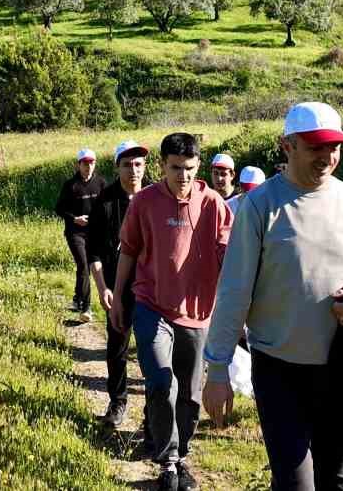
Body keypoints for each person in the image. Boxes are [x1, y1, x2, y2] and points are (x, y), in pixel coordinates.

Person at [202, 102, 343, 491]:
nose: (327, 157)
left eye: (334, 148)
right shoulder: (260, 206)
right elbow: (234, 291)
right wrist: (218, 368)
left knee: (340, 484)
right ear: (286, 146)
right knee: (295, 484)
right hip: (280, 371)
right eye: (315, 147)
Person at [109, 132, 233, 491]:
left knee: (191, 394)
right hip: (152, 305)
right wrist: (119, 298)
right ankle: (170, 461)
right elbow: (129, 251)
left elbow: (229, 255)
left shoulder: (213, 205)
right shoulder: (144, 203)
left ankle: (183, 450)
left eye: (190, 169)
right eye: (176, 168)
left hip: (197, 313)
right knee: (162, 382)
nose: (183, 176)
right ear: (162, 165)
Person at [89, 139, 148, 430]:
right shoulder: (105, 202)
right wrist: (103, 288)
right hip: (118, 286)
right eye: (127, 164)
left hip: (152, 289)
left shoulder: (155, 199)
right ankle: (118, 400)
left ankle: (155, 412)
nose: (134, 170)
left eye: (138, 164)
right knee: (117, 348)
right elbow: (95, 252)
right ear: (117, 167)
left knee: (153, 351)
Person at [55, 147, 104, 321]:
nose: (88, 166)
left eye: (91, 163)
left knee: (91, 267)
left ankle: (77, 298)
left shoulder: (101, 183)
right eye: (85, 163)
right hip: (75, 233)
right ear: (78, 165)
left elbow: (107, 207)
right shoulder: (70, 185)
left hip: (94, 232)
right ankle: (86, 307)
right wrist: (75, 218)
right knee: (84, 266)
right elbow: (59, 209)